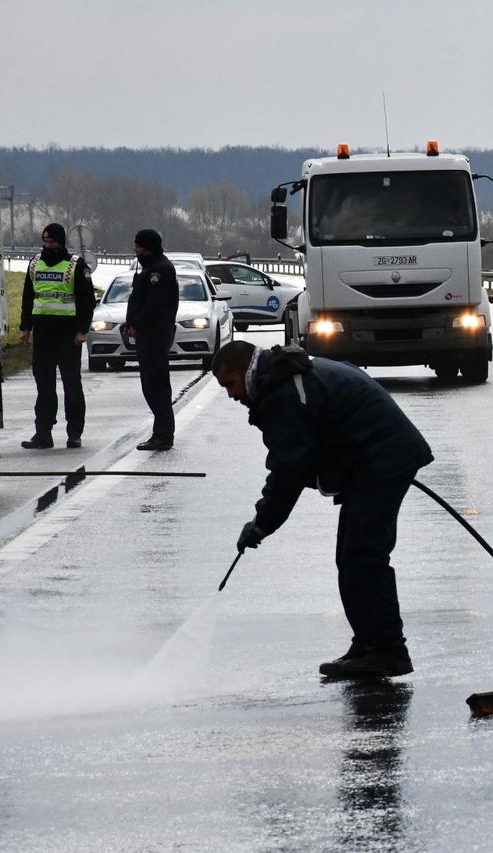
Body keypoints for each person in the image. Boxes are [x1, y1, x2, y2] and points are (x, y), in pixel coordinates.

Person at [212, 340, 434, 679]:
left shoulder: (284, 391)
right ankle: (369, 644)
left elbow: (289, 468)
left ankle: (389, 651)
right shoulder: (283, 378)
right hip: (370, 461)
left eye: (229, 384)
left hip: (383, 459)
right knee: (350, 557)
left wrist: (261, 524)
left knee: (364, 556)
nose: (230, 395)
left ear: (246, 371)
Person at [18, 223, 96, 449]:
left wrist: (82, 330)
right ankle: (43, 434)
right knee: (44, 386)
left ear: (61, 243)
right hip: (43, 334)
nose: (47, 246)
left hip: (67, 335)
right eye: (45, 242)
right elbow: (28, 298)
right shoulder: (34, 264)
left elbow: (87, 301)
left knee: (72, 385)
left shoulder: (75, 265)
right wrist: (25, 328)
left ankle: (74, 433)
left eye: (52, 242)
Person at [123, 229, 178, 451]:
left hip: (154, 335)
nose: (136, 251)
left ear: (150, 248)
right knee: (151, 385)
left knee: (156, 385)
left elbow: (153, 306)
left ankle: (163, 434)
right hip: (150, 334)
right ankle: (161, 432)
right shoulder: (150, 268)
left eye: (140, 247)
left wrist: (136, 323)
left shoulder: (159, 271)